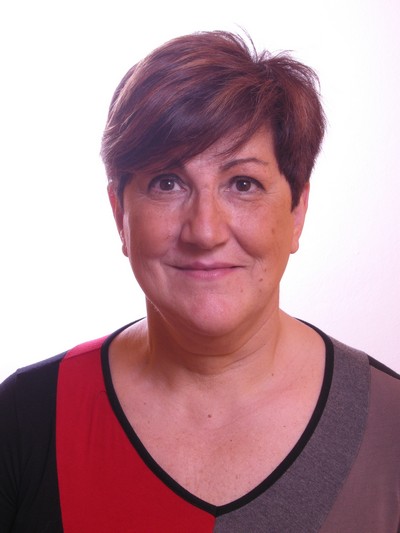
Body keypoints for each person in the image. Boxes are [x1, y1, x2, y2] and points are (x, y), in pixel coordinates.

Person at [0, 31, 399, 533]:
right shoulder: (28, 417)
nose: (205, 231)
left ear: (297, 210)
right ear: (120, 213)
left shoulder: (391, 425)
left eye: (243, 184)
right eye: (167, 183)